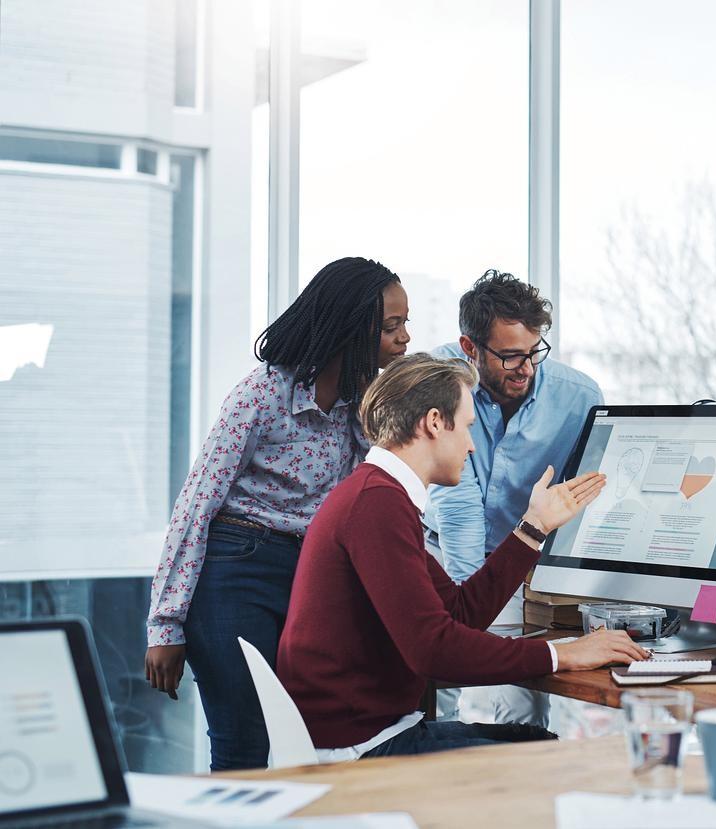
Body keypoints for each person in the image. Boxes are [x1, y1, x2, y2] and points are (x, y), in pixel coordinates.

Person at [277, 354, 647, 758]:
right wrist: (561, 654)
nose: (471, 445)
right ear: (434, 422)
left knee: (536, 744)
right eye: (468, 427)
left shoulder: (379, 494)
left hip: (376, 729)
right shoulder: (375, 504)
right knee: (548, 758)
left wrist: (533, 527)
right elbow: (434, 650)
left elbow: (458, 614)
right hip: (359, 745)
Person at [144, 257, 410, 771]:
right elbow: (196, 505)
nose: (404, 338)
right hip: (236, 570)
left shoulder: (362, 403)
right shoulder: (262, 394)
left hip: (311, 575)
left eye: (404, 323)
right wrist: (165, 626)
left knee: (304, 739)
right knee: (245, 743)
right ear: (351, 328)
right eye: (391, 326)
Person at [424, 270, 603, 726]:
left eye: (533, 352)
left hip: (519, 554)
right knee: (431, 685)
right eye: (509, 356)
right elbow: (457, 504)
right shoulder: (438, 379)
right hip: (440, 550)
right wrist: (467, 613)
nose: (525, 368)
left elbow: (582, 494)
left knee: (523, 701)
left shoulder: (578, 398)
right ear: (470, 348)